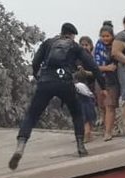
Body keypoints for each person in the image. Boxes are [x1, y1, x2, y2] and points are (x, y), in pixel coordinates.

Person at [13, 23, 107, 166]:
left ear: (62, 32)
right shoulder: (74, 46)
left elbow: (35, 61)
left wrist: (37, 75)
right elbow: (92, 65)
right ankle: (81, 146)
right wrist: (103, 85)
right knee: (76, 113)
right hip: (65, 83)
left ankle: (20, 146)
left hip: (46, 82)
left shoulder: (48, 43)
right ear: (72, 35)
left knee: (32, 115)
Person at [94, 24, 120, 141]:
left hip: (113, 80)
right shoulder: (98, 46)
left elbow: (114, 66)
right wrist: (106, 68)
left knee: (110, 105)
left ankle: (108, 131)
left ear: (112, 36)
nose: (105, 38)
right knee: (102, 106)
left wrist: (108, 68)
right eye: (103, 36)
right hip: (100, 79)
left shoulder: (116, 46)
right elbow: (94, 66)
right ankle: (106, 129)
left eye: (107, 36)